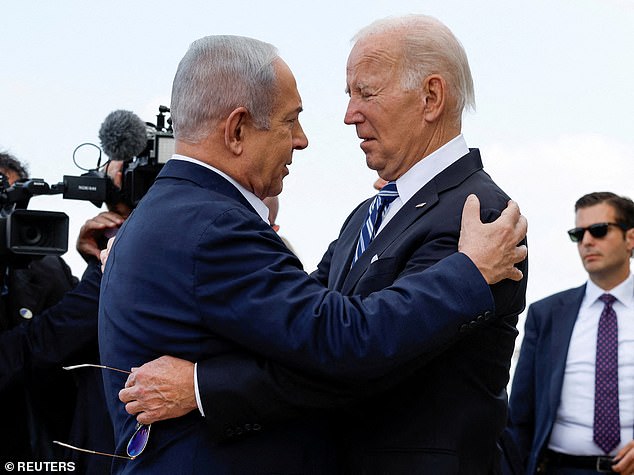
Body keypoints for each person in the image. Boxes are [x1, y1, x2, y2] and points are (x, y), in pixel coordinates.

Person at [99, 33, 527, 474]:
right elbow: (328, 340)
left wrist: (202, 386)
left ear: (431, 97)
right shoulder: (220, 224)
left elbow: (343, 353)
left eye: (366, 92)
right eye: (290, 122)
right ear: (238, 129)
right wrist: (468, 274)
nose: (344, 117)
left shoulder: (481, 219)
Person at [0, 157, 129, 472]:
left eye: (13, 203)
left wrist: (100, 259)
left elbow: (83, 337)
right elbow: (29, 350)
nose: (6, 216)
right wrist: (108, 272)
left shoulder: (47, 268)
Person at [506, 192, 634, 475]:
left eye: (599, 230)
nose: (587, 241)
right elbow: (520, 417)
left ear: (630, 239)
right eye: (579, 234)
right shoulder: (546, 315)